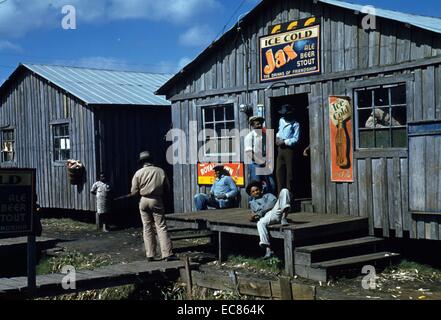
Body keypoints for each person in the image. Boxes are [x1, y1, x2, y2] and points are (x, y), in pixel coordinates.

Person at [130, 151, 176, 262]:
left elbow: (134, 191)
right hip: (156, 199)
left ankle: (150, 254)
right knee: (161, 226)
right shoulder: (160, 171)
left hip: (144, 200)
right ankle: (167, 254)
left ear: (142, 162)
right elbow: (167, 188)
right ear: (151, 160)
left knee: (147, 227)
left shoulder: (138, 173)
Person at [246, 180, 291, 259]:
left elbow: (273, 203)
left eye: (257, 190)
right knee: (260, 223)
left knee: (284, 191)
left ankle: (284, 217)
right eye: (253, 191)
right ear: (251, 194)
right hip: (268, 217)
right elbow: (255, 215)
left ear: (260, 190)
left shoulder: (269, 195)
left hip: (276, 211)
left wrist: (260, 212)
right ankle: (268, 249)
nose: (256, 192)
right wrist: (252, 217)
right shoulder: (252, 203)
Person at [244, 116, 276, 195]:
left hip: (267, 162)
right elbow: (249, 153)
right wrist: (260, 162)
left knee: (271, 184)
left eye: (261, 124)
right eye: (257, 124)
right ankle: (256, 203)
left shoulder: (265, 135)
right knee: (256, 185)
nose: (259, 126)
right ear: (252, 125)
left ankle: (271, 201)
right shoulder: (249, 137)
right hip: (256, 163)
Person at [276, 104, 300, 197]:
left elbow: (296, 139)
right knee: (279, 171)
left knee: (289, 173)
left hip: (289, 149)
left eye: (286, 114)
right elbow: (279, 131)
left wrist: (285, 142)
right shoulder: (281, 120)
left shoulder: (295, 124)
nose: (284, 115)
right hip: (280, 149)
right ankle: (280, 195)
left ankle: (289, 194)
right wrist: (277, 138)